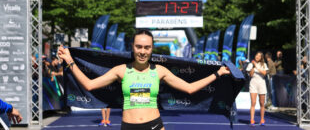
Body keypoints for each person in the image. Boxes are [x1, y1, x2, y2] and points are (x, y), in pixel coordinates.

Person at [58, 29, 230, 130]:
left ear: (151, 49)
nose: (142, 51)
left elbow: (190, 88)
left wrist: (218, 73)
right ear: (132, 47)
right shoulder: (121, 71)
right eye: (139, 46)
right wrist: (69, 61)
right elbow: (89, 85)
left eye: (147, 47)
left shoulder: (160, 71)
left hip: (154, 125)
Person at [246, 52, 268, 126]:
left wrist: (256, 66)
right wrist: (252, 66)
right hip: (253, 84)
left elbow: (264, 73)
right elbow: (251, 75)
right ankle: (252, 120)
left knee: (262, 103)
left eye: (259, 56)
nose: (257, 57)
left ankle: (262, 119)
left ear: (261, 57)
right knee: (253, 102)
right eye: (256, 55)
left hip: (261, 84)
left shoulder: (264, 64)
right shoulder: (250, 64)